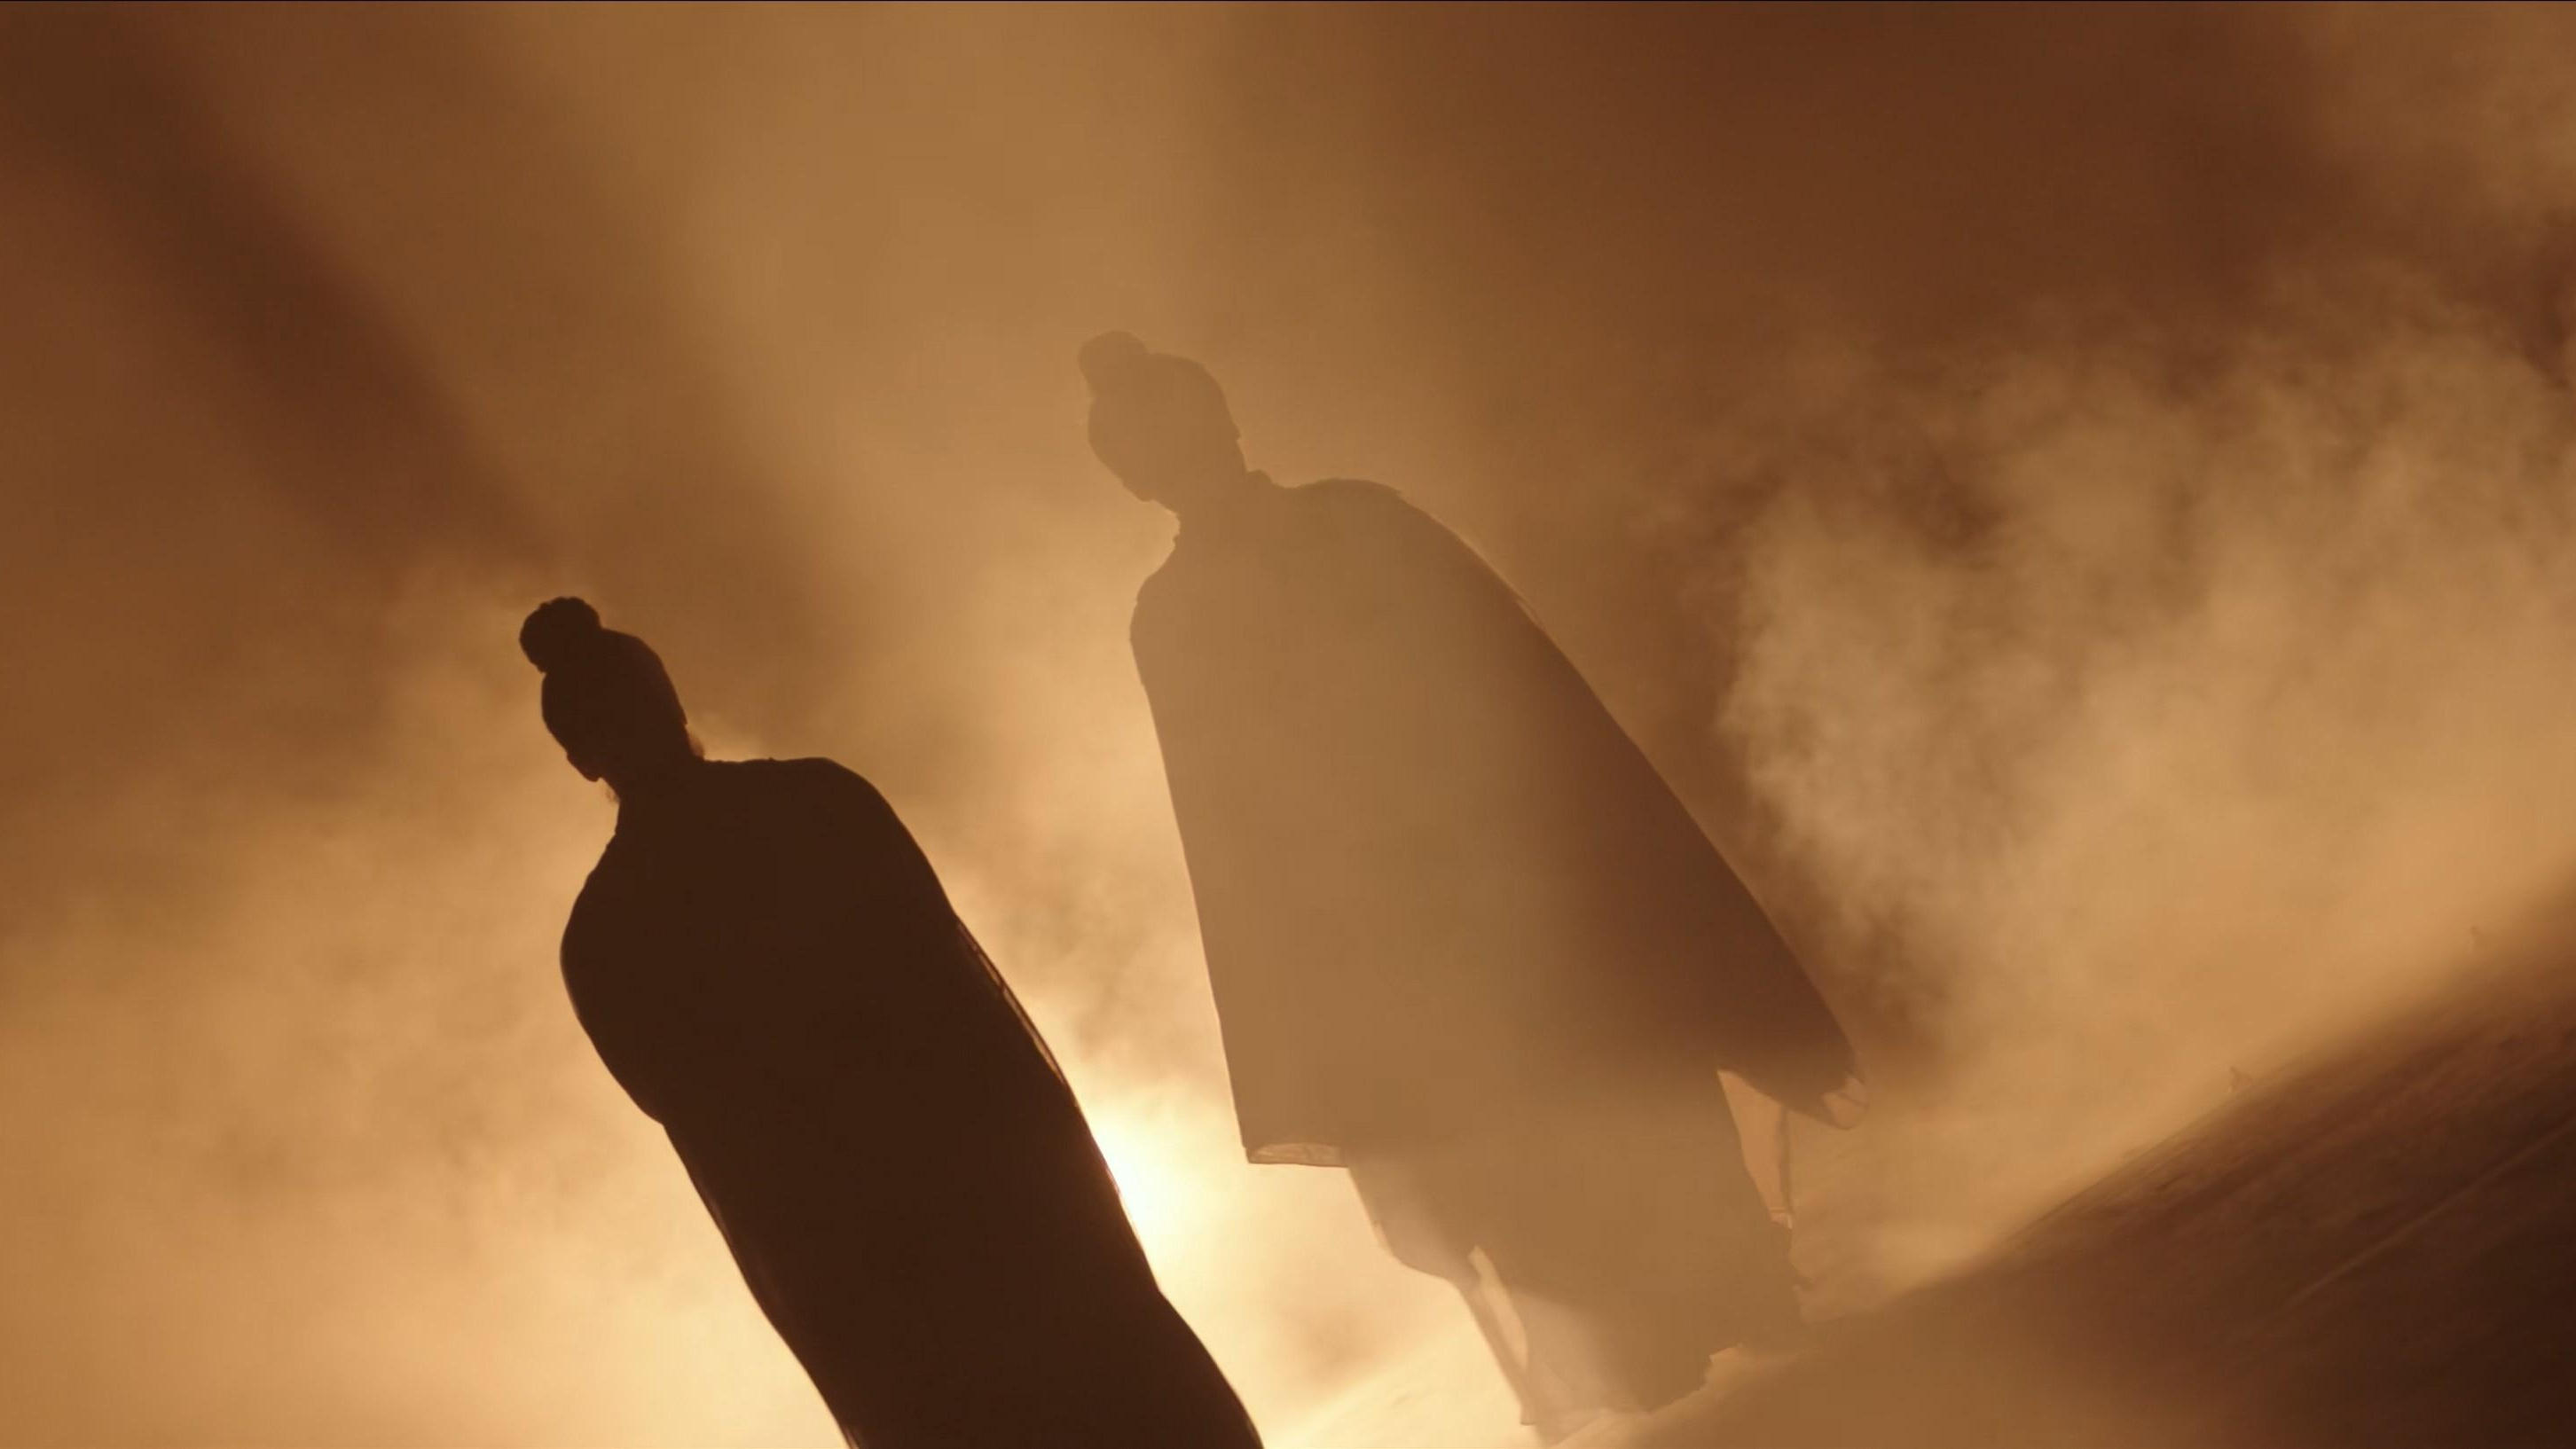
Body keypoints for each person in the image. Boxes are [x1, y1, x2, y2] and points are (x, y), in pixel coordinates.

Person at [1080, 333, 1865, 1442]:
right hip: (1415, 919)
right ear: (1146, 474)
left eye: (1184, 429)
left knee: (1604, 1085)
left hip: (1498, 874)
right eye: (1161, 445)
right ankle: (1669, 1345)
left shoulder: (1330, 536)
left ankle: (1714, 1325)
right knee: (1532, 1137)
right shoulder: (1235, 585)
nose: (1186, 453)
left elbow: (1509, 684)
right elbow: (1231, 819)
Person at [520, 596, 1261, 1449]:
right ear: (670, 698)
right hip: (998, 1196)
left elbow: (685, 1109)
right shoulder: (817, 800)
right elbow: (947, 973)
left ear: (579, 758)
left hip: (860, 1273)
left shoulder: (604, 938)